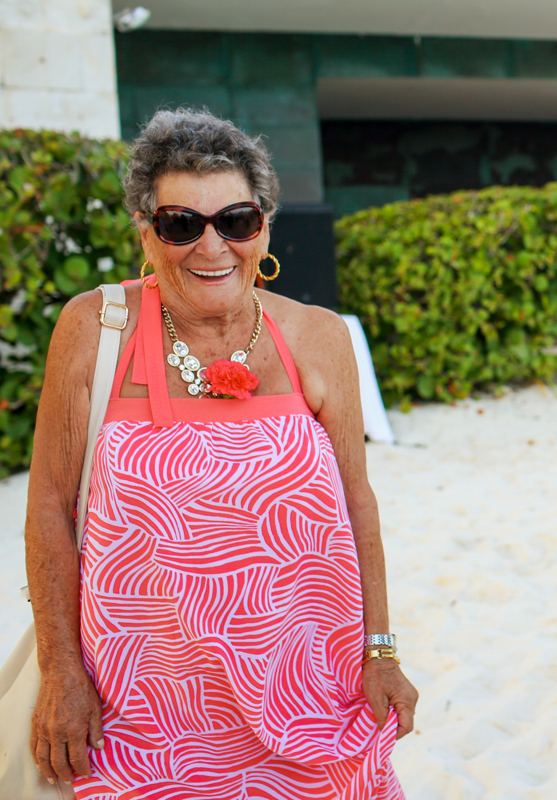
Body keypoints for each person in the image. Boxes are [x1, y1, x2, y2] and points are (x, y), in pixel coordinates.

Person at [24, 109, 417, 797]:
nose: (212, 247)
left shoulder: (319, 336)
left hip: (310, 695)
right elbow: (51, 507)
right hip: (138, 710)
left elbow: (359, 502)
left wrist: (380, 651)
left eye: (235, 221)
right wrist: (61, 671)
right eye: (182, 224)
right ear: (145, 232)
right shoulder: (92, 328)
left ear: (262, 225)